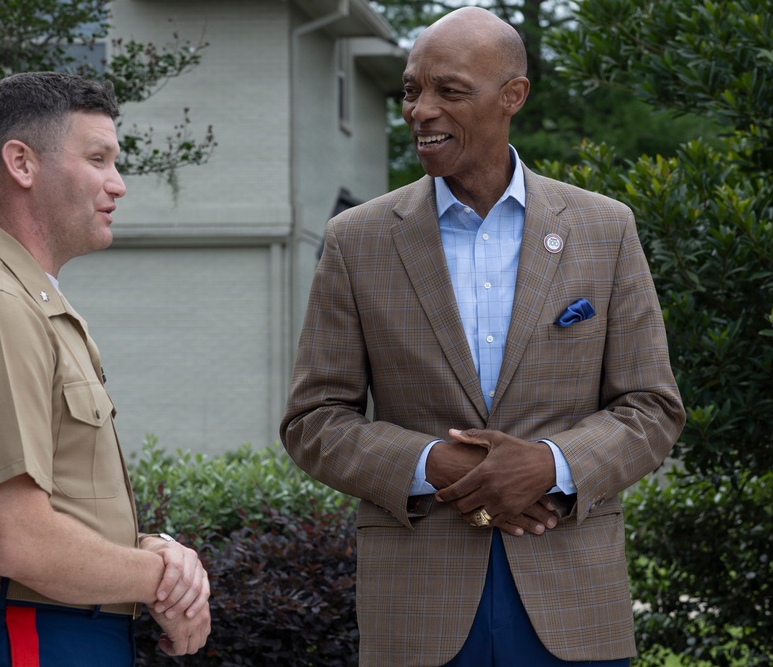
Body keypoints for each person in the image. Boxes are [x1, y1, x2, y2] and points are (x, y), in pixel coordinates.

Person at [280, 7, 685, 667]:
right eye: (412, 90)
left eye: (450, 90)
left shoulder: (604, 229)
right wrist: (433, 463)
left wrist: (548, 465)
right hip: (418, 613)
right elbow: (313, 420)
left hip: (573, 606)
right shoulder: (356, 240)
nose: (421, 110)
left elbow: (652, 406)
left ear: (512, 97)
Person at [0, 71, 211, 666]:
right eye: (98, 159)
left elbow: (63, 511)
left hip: (49, 630)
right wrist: (162, 578)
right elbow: (19, 541)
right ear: (22, 163)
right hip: (24, 632)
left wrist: (154, 553)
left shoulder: (24, 302)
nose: (117, 185)